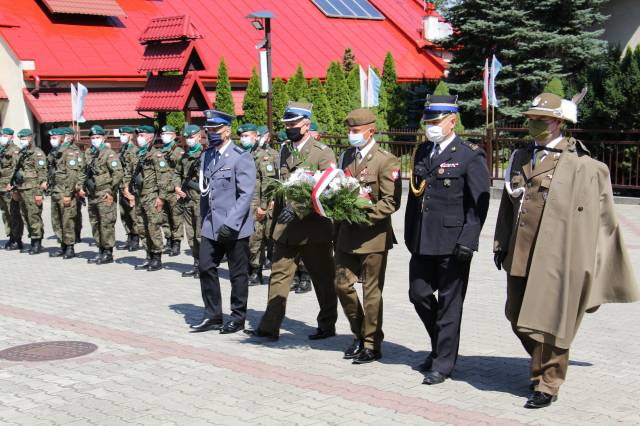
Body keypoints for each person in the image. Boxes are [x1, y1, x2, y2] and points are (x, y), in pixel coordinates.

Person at [493, 92, 640, 409]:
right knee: (517, 317)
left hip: (555, 255)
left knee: (551, 320)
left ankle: (547, 381)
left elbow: (595, 220)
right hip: (520, 251)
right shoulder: (521, 158)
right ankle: (541, 365)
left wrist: (585, 260)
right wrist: (500, 242)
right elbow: (509, 205)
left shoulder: (579, 165)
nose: (533, 125)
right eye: (531, 119)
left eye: (540, 120)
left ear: (558, 122)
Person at [405, 95, 490, 385]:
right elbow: (416, 198)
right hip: (422, 240)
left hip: (453, 243)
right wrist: (409, 235)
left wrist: (469, 240)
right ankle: (444, 344)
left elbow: (478, 204)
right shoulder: (423, 151)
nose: (431, 126)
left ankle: (443, 362)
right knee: (418, 294)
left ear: (452, 120)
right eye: (428, 121)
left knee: (450, 304)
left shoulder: (469, 154)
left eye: (436, 121)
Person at [245, 102, 338, 341]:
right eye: (286, 124)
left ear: (306, 125)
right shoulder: (284, 150)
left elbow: (325, 189)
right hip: (285, 228)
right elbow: (279, 186)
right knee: (278, 275)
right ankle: (270, 326)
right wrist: (270, 211)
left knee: (322, 279)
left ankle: (327, 325)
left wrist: (297, 208)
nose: (289, 128)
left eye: (293, 124)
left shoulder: (322, 152)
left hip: (313, 229)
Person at [335, 108, 402, 364]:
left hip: (373, 235)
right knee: (341, 285)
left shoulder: (386, 160)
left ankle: (372, 344)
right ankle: (359, 332)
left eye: (355, 131)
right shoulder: (347, 156)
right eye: (349, 131)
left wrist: (365, 216)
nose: (351, 135)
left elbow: (391, 201)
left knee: (371, 292)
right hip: (346, 233)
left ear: (370, 131)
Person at [189, 110, 255, 334]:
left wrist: (231, 222)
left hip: (234, 226)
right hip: (211, 223)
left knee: (238, 273)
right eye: (209, 130)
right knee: (206, 266)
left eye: (216, 130)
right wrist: (204, 220)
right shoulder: (207, 156)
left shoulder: (240, 156)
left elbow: (246, 194)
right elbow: (206, 192)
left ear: (227, 131)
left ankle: (238, 317)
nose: (211, 134)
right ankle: (213, 315)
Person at [122, 125, 167, 272]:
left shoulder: (156, 154)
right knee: (142, 227)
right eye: (138, 134)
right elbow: (129, 172)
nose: (139, 137)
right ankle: (148, 256)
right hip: (139, 196)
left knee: (153, 227)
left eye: (142, 134)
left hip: (152, 196)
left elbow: (163, 177)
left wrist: (161, 197)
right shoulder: (137, 154)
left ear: (150, 136)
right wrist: (126, 189)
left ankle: (157, 258)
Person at [240, 123, 279, 286]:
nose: (243, 139)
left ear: (255, 136)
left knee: (256, 238)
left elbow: (268, 182)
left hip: (257, 204)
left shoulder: (263, 155)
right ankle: (249, 268)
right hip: (243, 203)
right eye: (241, 136)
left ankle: (256, 271)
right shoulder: (241, 153)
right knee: (245, 238)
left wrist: (263, 206)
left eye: (246, 136)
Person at [83, 125, 123, 264]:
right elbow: (84, 172)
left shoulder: (109, 153)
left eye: (98, 137)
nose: (95, 140)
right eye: (92, 138)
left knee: (106, 224)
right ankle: (100, 250)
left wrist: (111, 191)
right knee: (95, 223)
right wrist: (80, 187)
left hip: (105, 194)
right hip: (92, 194)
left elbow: (118, 173)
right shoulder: (88, 153)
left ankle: (108, 252)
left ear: (103, 138)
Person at [47, 127, 85, 259]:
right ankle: (62, 246)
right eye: (51, 138)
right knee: (56, 220)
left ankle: (70, 247)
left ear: (63, 138)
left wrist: (68, 194)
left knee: (67, 220)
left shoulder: (69, 153)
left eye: (55, 138)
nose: (52, 140)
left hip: (65, 192)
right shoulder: (54, 152)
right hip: (55, 191)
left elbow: (73, 175)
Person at [9, 129, 47, 255]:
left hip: (32, 189)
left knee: (34, 216)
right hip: (21, 189)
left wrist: (38, 193)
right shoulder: (21, 153)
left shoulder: (37, 153)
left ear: (31, 138)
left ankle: (37, 242)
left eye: (25, 138)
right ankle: (32, 240)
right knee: (25, 216)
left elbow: (42, 174)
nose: (22, 140)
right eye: (21, 138)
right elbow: (16, 172)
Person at [175, 124, 204, 279]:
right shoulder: (184, 156)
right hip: (186, 200)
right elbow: (177, 173)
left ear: (199, 137)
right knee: (191, 235)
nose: (189, 140)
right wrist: (177, 186)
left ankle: (204, 266)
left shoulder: (205, 155)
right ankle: (196, 264)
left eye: (192, 137)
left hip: (200, 200)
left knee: (201, 235)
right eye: (187, 138)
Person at [158, 125, 185, 257]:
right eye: (163, 134)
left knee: (176, 218)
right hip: (162, 190)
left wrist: (179, 189)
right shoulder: (161, 151)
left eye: (167, 134)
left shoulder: (178, 151)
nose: (164, 136)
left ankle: (176, 243)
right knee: (164, 217)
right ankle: (168, 240)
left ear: (174, 135)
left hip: (173, 190)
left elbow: (181, 172)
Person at [117, 126, 142, 252]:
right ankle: (129, 238)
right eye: (121, 134)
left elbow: (133, 171)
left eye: (125, 134)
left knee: (133, 214)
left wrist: (127, 187)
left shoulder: (134, 150)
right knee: (124, 214)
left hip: (130, 187)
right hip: (122, 187)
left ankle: (136, 239)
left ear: (131, 136)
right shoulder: (122, 149)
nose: (122, 137)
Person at [0, 128, 24, 250]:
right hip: (1, 187)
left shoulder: (14, 151)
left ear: (11, 137)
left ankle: (17, 239)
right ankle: (11, 236)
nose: (2, 137)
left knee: (14, 213)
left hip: (9, 187)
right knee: (6, 214)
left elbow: (17, 170)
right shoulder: (1, 150)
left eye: (5, 135)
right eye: (1, 135)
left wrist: (14, 186)